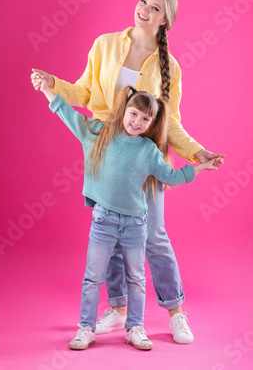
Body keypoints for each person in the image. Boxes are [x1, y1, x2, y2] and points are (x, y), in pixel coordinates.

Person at [31, 0, 225, 344]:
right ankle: (119, 310)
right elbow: (84, 92)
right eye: (142, 2)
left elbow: (171, 124)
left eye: (155, 9)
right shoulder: (105, 44)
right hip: (106, 149)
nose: (145, 10)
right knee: (112, 234)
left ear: (166, 20)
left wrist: (197, 153)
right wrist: (52, 83)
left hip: (145, 157)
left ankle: (176, 311)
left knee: (153, 235)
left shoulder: (171, 67)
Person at [37, 77, 222, 351]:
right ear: (124, 110)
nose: (137, 122)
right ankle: (85, 329)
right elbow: (69, 115)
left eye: (145, 119)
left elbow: (171, 176)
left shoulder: (148, 150)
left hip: (136, 224)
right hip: (103, 221)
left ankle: (135, 328)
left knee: (137, 278)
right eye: (133, 114)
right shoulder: (99, 134)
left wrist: (202, 166)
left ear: (151, 124)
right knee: (92, 277)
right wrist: (47, 90)